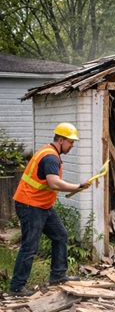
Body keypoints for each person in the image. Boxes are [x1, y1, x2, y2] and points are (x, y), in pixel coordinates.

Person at [9, 123, 92, 296]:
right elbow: (54, 183)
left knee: (60, 235)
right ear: (60, 140)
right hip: (31, 205)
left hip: (41, 205)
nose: (72, 146)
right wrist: (77, 185)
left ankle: (58, 275)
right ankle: (16, 287)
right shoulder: (51, 157)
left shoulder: (49, 152)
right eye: (70, 142)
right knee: (30, 245)